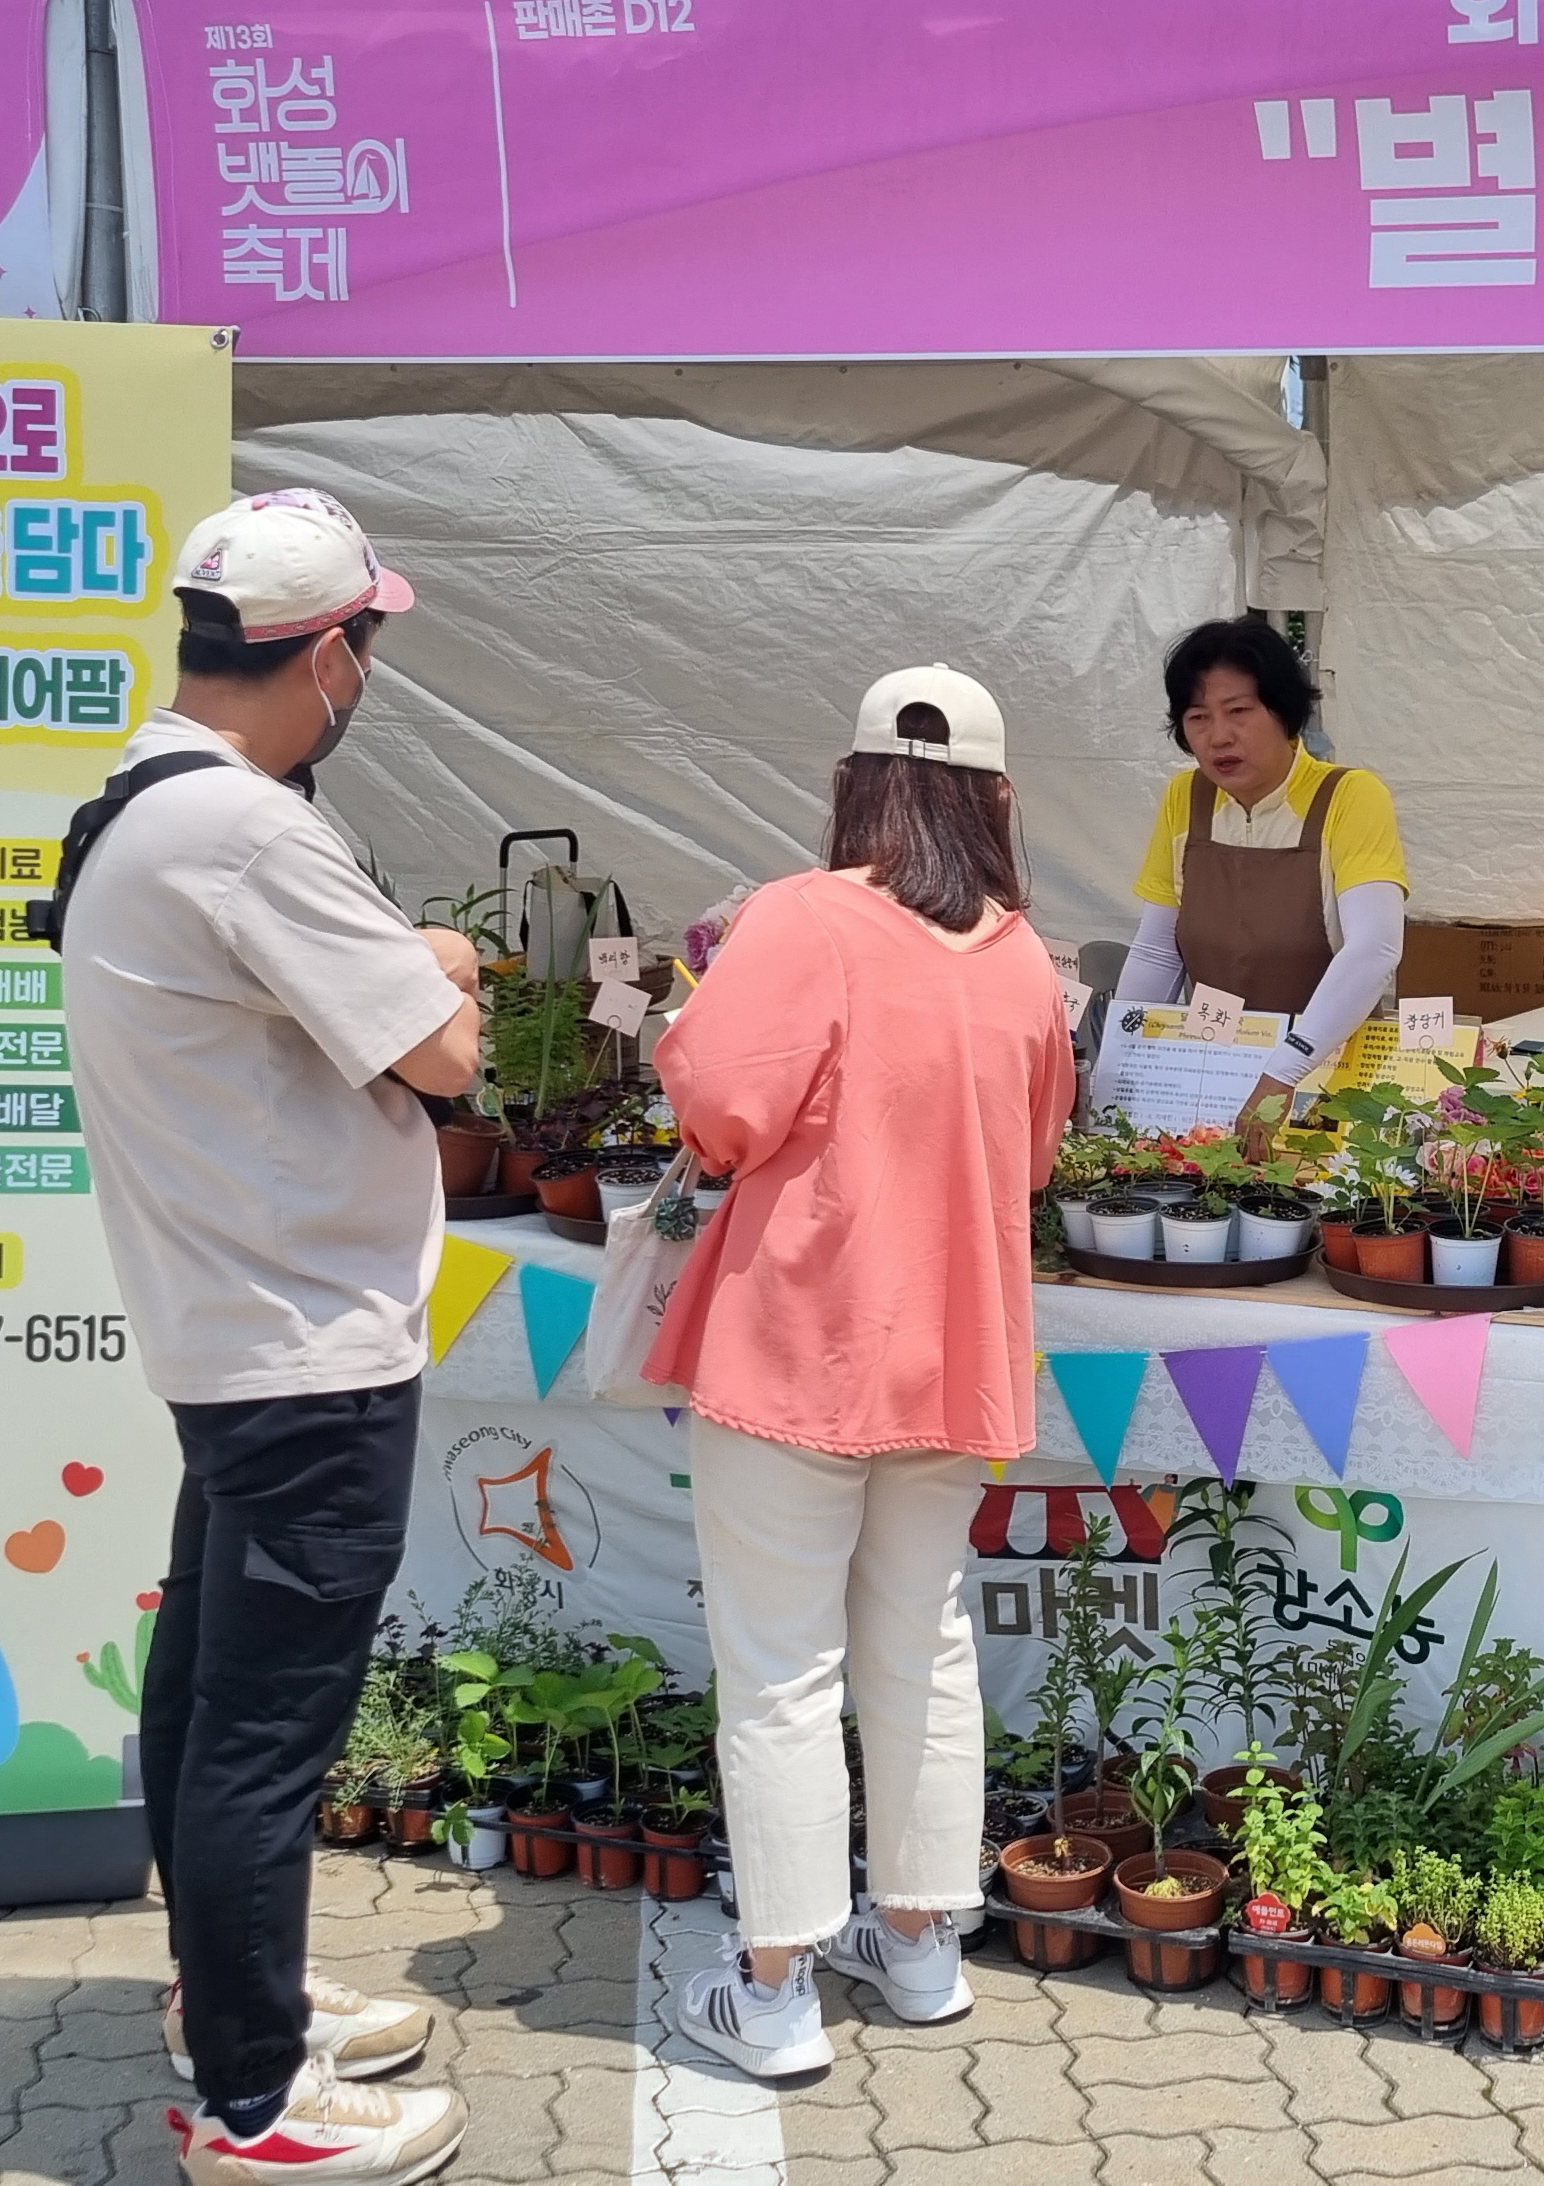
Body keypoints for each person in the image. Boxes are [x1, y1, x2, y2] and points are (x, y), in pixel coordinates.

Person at [59, 490, 475, 2186]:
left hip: (235, 1326)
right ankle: (257, 2101)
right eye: (363, 647)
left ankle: (225, 1992)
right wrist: (435, 952)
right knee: (262, 1726)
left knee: (205, 1688)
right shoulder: (246, 831)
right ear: (321, 657)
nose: (363, 679)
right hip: (304, 1340)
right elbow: (442, 1048)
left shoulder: (136, 801)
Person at [645, 666, 1073, 2078]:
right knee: (923, 1645)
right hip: (952, 1351)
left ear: (854, 785)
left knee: (778, 1673)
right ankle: (920, 1948)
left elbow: (715, 1104)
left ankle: (771, 1990)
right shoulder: (1020, 955)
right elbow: (1039, 1148)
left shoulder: (802, 917)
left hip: (797, 1340)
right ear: (995, 801)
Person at [1111, 618, 1406, 1146]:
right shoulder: (1186, 799)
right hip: (1211, 1072)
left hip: (1329, 1076)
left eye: (1239, 712)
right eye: (1197, 717)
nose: (1218, 736)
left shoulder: (1351, 796)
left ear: (1284, 712)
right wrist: (1118, 1061)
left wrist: (1285, 1070)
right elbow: (1158, 950)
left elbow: (1374, 949)